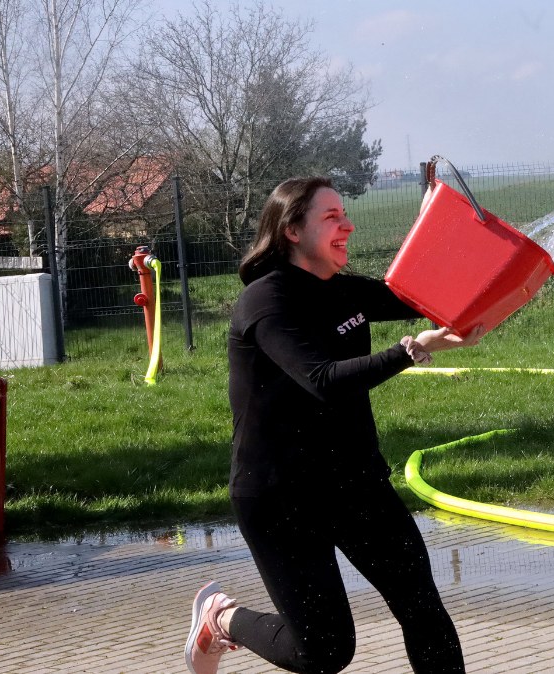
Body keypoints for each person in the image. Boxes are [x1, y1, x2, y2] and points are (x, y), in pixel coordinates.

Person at [184, 176, 482, 674]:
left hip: (353, 481)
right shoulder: (266, 302)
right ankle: (222, 619)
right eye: (331, 217)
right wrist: (416, 349)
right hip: (280, 497)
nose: (348, 224)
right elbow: (321, 379)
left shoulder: (346, 292)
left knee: (422, 608)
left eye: (344, 213)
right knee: (324, 651)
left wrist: (484, 270)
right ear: (292, 231)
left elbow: (433, 293)